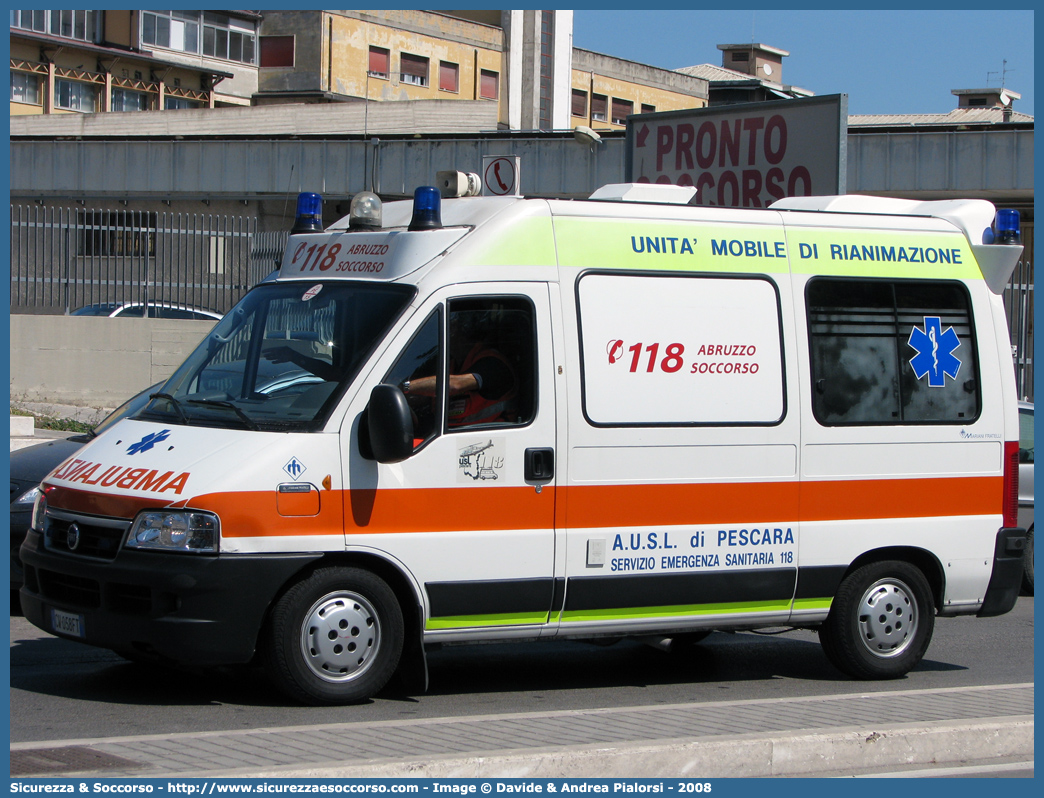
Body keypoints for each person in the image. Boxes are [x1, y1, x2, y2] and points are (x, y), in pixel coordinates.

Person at [401, 311, 518, 427]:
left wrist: (404, 388)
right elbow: (424, 396)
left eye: (452, 327)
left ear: (462, 331)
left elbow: (455, 385)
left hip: (491, 440)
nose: (438, 336)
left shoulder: (493, 364)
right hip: (452, 439)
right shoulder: (450, 365)